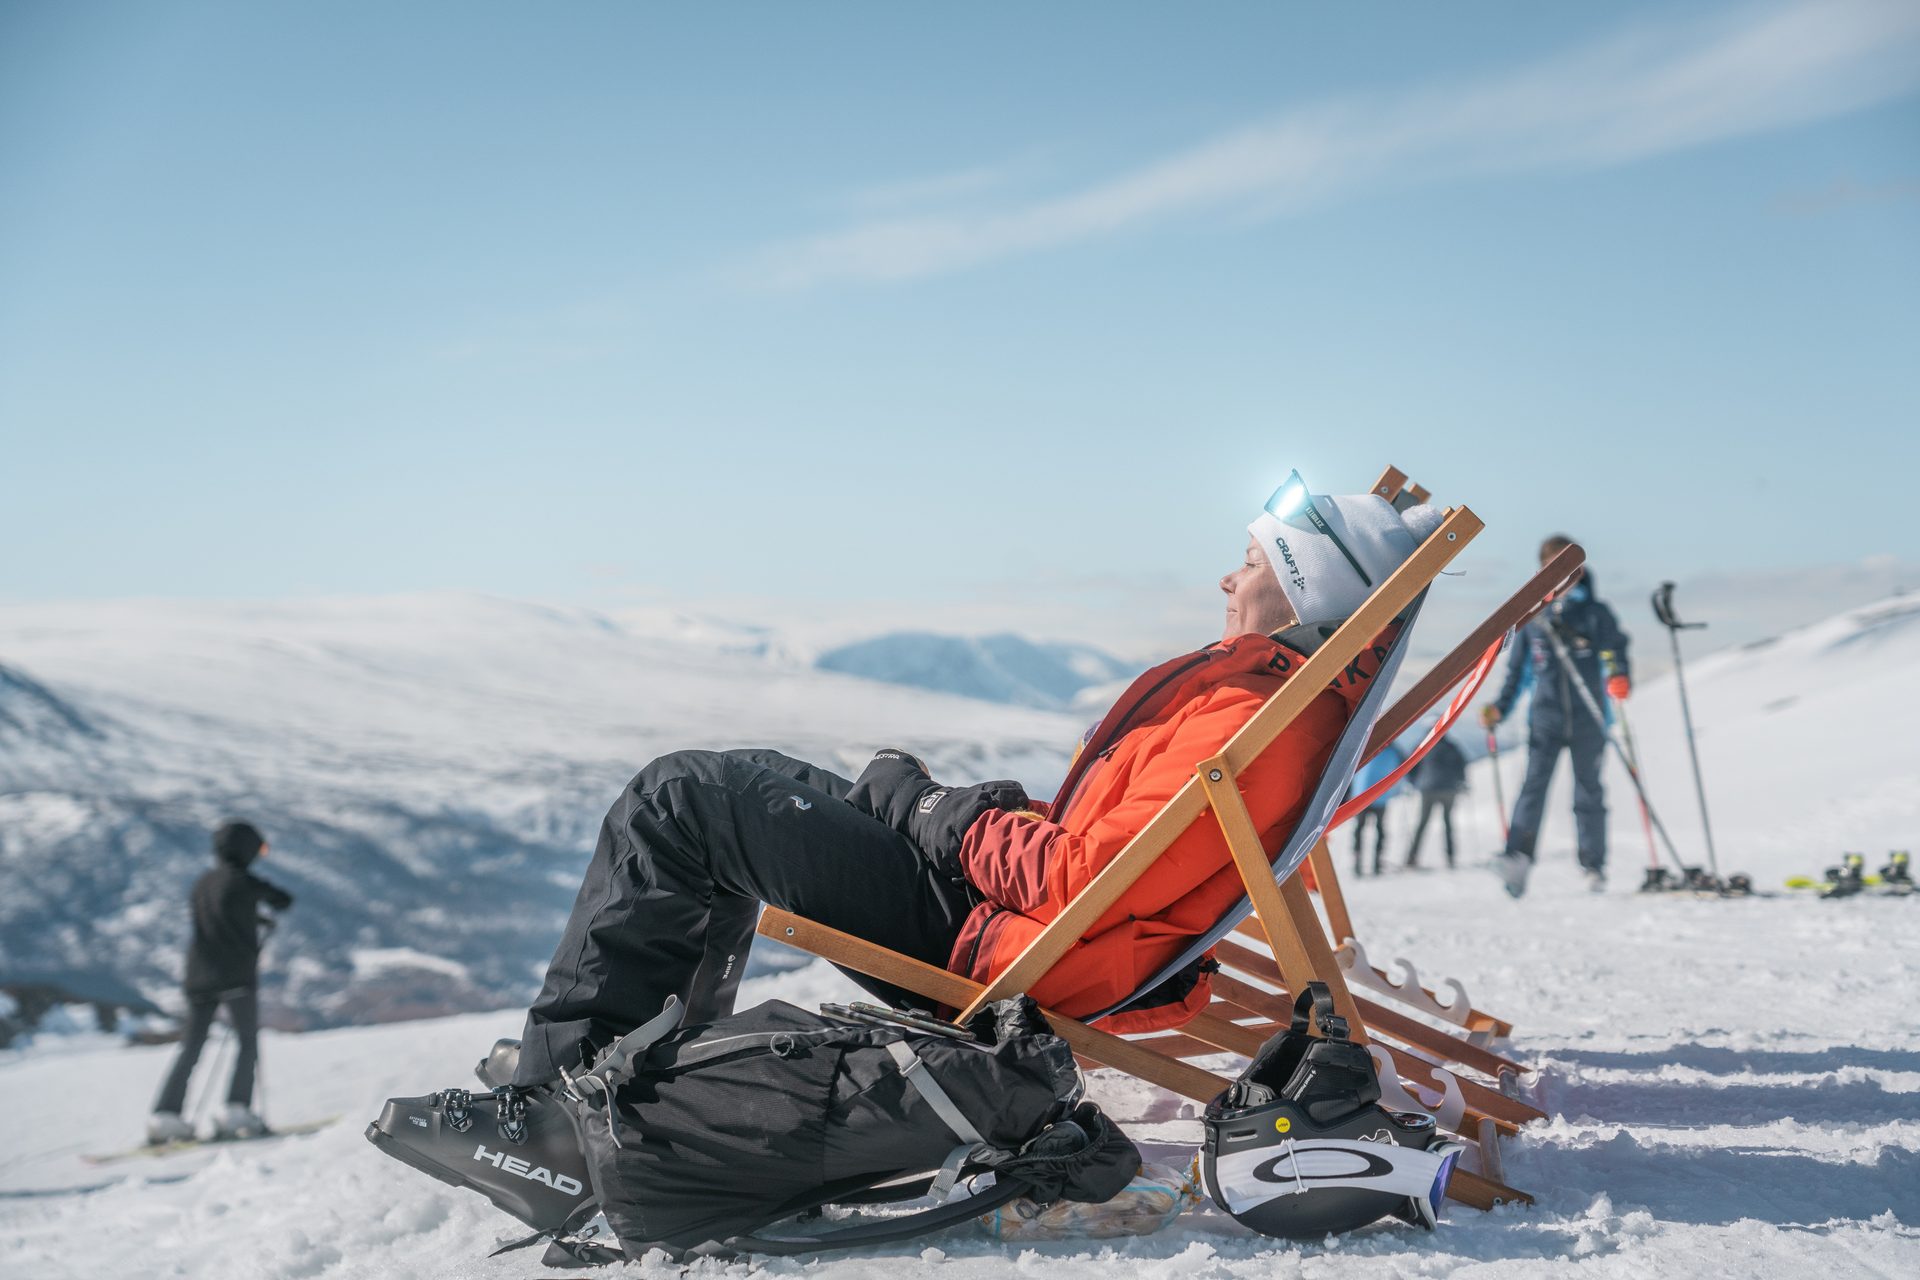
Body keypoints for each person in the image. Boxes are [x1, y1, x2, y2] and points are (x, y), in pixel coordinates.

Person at [507, 483, 1445, 1090]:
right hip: (1012, 917)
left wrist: (934, 815)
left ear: (1302, 582)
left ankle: (561, 1093)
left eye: (1249, 561)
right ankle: (624, 1073)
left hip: (1000, 948)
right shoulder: (1270, 704)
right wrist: (964, 815)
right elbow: (1116, 852)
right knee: (747, 788)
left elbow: (1082, 882)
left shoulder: (1248, 721)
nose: (1225, 577)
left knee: (685, 800)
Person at [1480, 536, 1631, 898]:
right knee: (1533, 787)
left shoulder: (1596, 613)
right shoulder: (1534, 618)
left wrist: (1618, 673)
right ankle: (1517, 858)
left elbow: (1613, 649)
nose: (1563, 577)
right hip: (1545, 718)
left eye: (1569, 568)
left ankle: (1593, 865)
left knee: (1588, 790)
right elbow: (1519, 671)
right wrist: (1501, 706)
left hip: (1589, 716)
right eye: (1554, 569)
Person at [147, 820, 294, 1144]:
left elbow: (219, 915)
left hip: (198, 976)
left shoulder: (203, 882)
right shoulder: (244, 881)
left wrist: (252, 916)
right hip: (236, 977)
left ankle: (166, 1115)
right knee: (246, 1042)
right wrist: (261, 915)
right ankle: (235, 1110)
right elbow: (284, 899)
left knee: (192, 1046)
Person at [1404, 734, 1467, 868]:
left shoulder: (1423, 744)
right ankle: (1450, 857)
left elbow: (1411, 765)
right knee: (1448, 823)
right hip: (1449, 789)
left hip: (1428, 789)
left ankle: (1412, 857)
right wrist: (1461, 782)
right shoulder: (1452, 746)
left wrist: (1413, 782)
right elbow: (1461, 765)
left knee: (1422, 823)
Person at [1347, 742, 1404, 876]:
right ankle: (1377, 862)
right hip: (1380, 795)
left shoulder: (1365, 746)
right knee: (1380, 829)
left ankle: (1357, 861)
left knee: (1359, 829)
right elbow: (1402, 767)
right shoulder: (1394, 751)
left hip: (1361, 795)